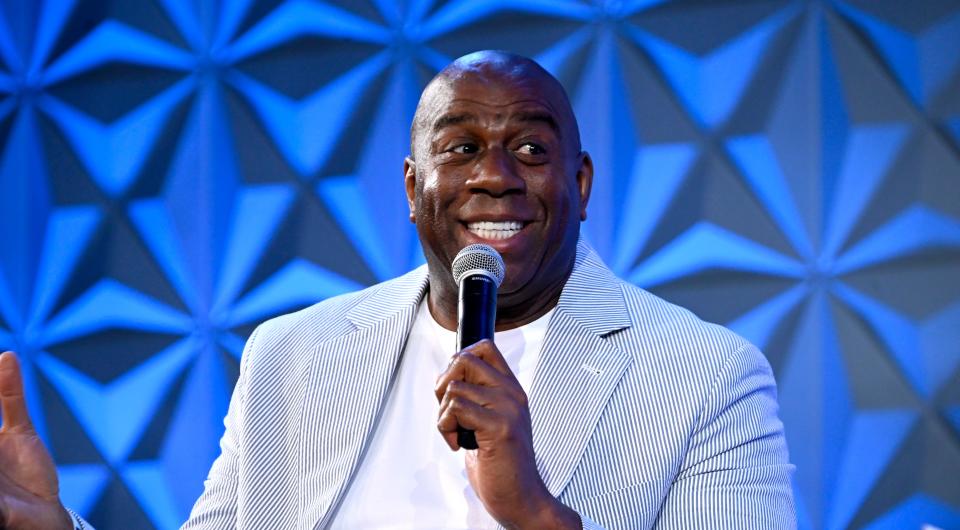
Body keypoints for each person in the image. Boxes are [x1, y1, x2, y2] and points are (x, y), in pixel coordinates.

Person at [0, 50, 795, 529]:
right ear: (414, 190)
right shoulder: (290, 354)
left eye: (529, 146)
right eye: (462, 148)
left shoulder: (706, 376)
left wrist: (534, 513)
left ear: (580, 184)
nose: (494, 175)